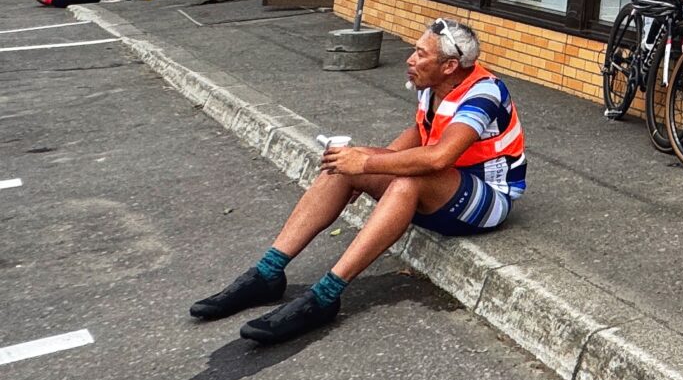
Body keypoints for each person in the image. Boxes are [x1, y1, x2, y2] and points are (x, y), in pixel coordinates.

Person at [188, 17, 526, 343]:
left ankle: (325, 296)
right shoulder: (431, 85)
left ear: (450, 66)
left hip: (487, 200)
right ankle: (267, 272)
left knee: (402, 179)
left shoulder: (484, 92)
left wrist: (368, 164)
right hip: (443, 190)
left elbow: (440, 157)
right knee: (344, 163)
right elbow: (420, 131)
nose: (409, 59)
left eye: (420, 54)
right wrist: (364, 171)